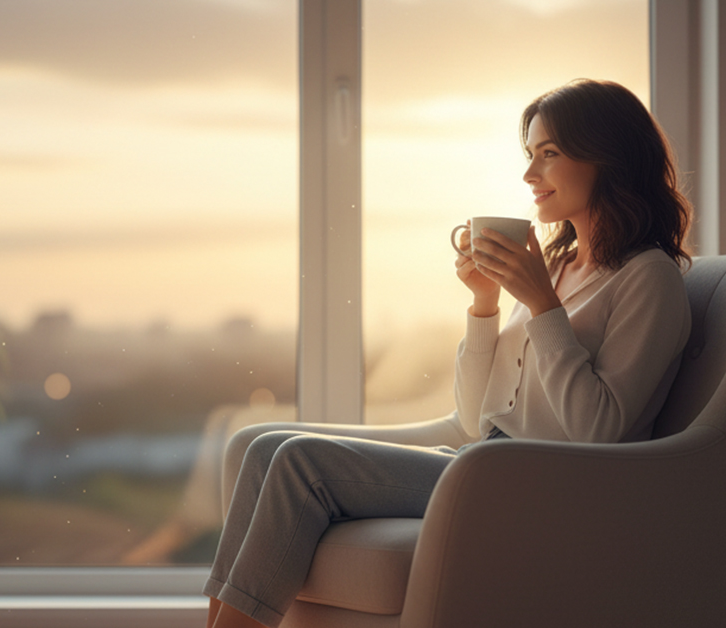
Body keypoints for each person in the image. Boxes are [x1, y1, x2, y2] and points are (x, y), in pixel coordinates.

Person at [202, 79, 693, 628]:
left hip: (546, 487)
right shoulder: (555, 267)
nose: (530, 176)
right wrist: (485, 304)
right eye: (530, 156)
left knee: (298, 461)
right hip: (485, 463)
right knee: (265, 446)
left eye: (549, 155)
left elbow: (601, 430)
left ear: (610, 156)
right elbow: (474, 416)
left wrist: (541, 305)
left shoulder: (649, 279)